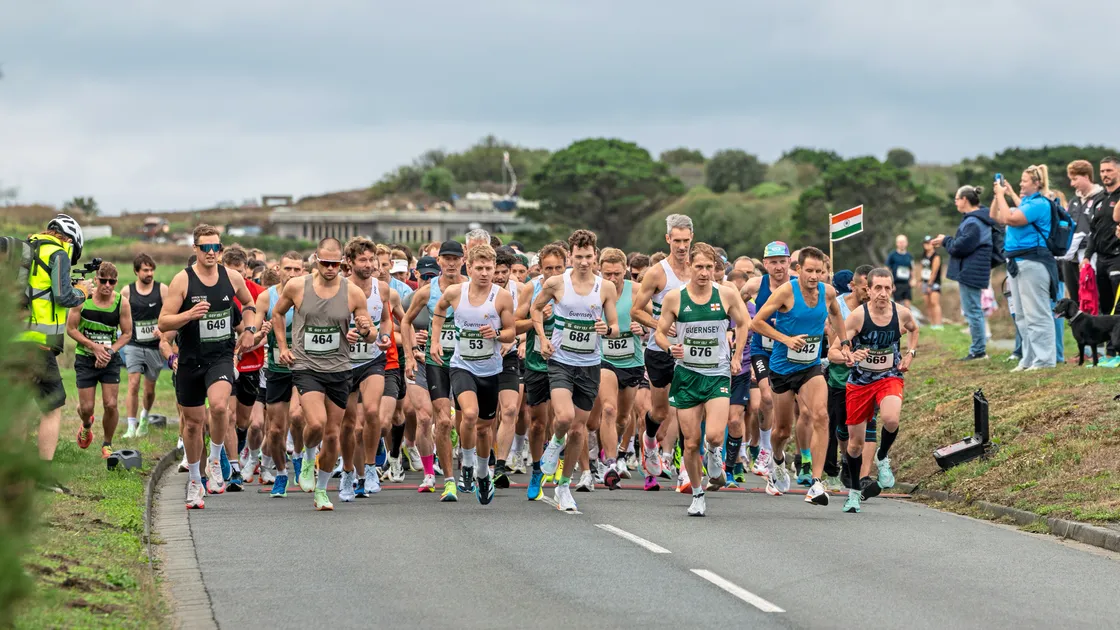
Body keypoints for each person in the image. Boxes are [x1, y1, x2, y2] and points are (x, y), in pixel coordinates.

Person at [271, 237, 385, 511]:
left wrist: (366, 329)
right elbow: (277, 315)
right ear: (316, 260)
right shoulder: (298, 286)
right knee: (317, 424)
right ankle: (308, 457)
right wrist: (284, 347)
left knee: (333, 435)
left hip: (339, 369)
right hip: (306, 367)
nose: (330, 268)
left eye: (335, 264)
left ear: (343, 263)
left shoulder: (353, 293)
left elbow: (371, 336)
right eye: (325, 263)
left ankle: (322, 490)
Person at [159, 224, 258, 509]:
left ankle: (215, 460)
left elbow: (249, 303)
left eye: (217, 247)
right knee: (192, 425)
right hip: (190, 359)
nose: (212, 253)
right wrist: (188, 315)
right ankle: (194, 480)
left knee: (218, 407)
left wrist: (249, 329)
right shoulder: (183, 280)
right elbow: (163, 323)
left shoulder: (232, 277)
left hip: (221, 357)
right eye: (206, 248)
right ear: (196, 249)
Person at [654, 243, 751, 516]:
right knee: (691, 441)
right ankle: (697, 494)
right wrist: (668, 347)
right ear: (690, 268)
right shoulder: (675, 298)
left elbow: (744, 323)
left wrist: (737, 354)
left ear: (716, 269)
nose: (704, 273)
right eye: (699, 267)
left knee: (715, 435)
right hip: (686, 375)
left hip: (717, 373)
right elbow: (661, 332)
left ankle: (715, 452)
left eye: (710, 267)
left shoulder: (727, 295)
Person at [751, 247, 851, 505]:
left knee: (821, 415)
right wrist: (786, 339)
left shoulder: (828, 292)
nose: (814, 276)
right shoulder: (786, 291)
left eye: (820, 271)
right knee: (783, 430)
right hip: (783, 368)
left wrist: (846, 341)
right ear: (798, 270)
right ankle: (777, 460)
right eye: (809, 271)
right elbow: (757, 323)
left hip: (810, 367)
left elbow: (836, 313)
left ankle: (817, 484)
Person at [532, 229, 620, 511]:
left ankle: (564, 486)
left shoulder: (605, 287)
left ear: (596, 256)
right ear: (571, 256)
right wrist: (543, 339)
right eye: (579, 256)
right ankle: (555, 440)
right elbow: (536, 309)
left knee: (580, 430)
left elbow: (615, 325)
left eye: (589, 256)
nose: (584, 262)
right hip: (560, 361)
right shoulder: (557, 283)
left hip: (590, 364)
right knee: (565, 417)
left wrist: (607, 329)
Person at [430, 244, 517, 504]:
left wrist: (498, 335)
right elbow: (439, 311)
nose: (484, 273)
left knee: (484, 429)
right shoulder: (456, 292)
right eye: (479, 268)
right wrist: (436, 341)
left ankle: (482, 472)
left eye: (489, 268)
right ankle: (466, 464)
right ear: (469, 267)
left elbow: (511, 332)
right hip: (462, 365)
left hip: (490, 369)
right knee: (468, 414)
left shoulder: (502, 297)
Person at [12, 214, 89, 478]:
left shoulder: (28, 249)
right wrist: (83, 292)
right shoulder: (57, 254)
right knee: (52, 407)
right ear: (70, 239)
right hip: (40, 345)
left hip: (16, 341)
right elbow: (64, 296)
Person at [842, 268, 920, 513]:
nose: (883, 293)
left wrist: (910, 354)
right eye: (878, 288)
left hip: (888, 376)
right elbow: (838, 347)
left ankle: (882, 456)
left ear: (893, 289)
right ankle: (854, 493)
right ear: (869, 289)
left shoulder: (901, 313)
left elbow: (914, 329)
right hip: (860, 383)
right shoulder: (857, 316)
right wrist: (850, 354)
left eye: (888, 288)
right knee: (854, 445)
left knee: (891, 419)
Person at [630, 214, 693, 491]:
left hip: (692, 352)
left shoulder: (698, 268)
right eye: (676, 240)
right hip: (659, 350)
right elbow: (635, 310)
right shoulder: (658, 272)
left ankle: (687, 469)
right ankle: (650, 441)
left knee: (688, 409)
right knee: (661, 411)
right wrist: (660, 325)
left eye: (686, 241)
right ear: (668, 239)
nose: (682, 246)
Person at [402, 241, 465, 502]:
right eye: (446, 258)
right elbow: (404, 321)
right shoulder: (426, 293)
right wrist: (409, 355)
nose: (451, 263)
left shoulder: (473, 289)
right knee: (431, 419)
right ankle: (432, 474)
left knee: (465, 421)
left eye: (455, 258)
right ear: (438, 261)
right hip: (430, 362)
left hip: (464, 364)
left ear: (463, 261)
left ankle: (469, 464)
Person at [992, 166, 1058, 371]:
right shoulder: (1026, 203)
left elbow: (1010, 219)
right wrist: (1000, 195)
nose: (1021, 184)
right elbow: (997, 216)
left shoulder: (1039, 203)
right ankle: (1028, 358)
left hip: (1034, 261)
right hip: (1016, 263)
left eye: (1025, 180)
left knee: (1037, 312)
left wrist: (1003, 195)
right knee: (1021, 314)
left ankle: (1045, 359)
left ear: (1037, 183)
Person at [514, 243, 567, 500]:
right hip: (537, 362)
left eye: (558, 267)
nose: (554, 272)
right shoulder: (531, 288)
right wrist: (538, 322)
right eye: (548, 268)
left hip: (567, 363)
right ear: (540, 269)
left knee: (562, 417)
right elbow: (514, 325)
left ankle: (556, 460)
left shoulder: (577, 288)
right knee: (537, 423)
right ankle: (536, 469)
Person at [67, 261, 133, 459]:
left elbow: (127, 333)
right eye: (103, 280)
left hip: (109, 359)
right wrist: (94, 347)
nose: (107, 285)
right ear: (96, 279)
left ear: (116, 282)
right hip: (85, 357)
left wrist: (110, 352)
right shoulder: (82, 299)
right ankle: (86, 425)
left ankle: (107, 444)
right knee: (86, 408)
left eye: (111, 282)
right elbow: (70, 329)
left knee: (111, 404)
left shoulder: (122, 302)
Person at [594, 247, 646, 490]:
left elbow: (656, 318)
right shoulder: (595, 290)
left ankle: (620, 452)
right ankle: (610, 462)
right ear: (600, 271)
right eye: (607, 274)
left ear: (625, 271)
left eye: (616, 274)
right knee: (608, 408)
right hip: (604, 358)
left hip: (632, 358)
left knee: (624, 417)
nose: (612, 279)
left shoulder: (636, 291)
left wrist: (643, 329)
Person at [739, 241, 792, 479]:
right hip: (762, 348)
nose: (778, 267)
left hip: (789, 350)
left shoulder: (797, 284)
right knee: (766, 399)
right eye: (773, 262)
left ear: (789, 262)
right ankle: (764, 448)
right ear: (766, 263)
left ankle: (777, 446)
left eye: (783, 261)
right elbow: (736, 303)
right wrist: (740, 325)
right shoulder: (755, 284)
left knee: (786, 408)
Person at [257, 251, 306, 496]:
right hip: (276, 368)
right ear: (278, 269)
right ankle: (281, 473)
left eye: (298, 270)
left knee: (297, 417)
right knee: (275, 430)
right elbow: (252, 337)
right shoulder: (266, 298)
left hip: (304, 367)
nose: (293, 274)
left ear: (304, 272)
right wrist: (259, 333)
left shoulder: (311, 295)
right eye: (288, 269)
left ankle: (298, 456)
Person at [932, 185, 997, 361]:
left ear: (965, 200)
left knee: (973, 311)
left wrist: (945, 240)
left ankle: (978, 351)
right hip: (973, 270)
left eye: (956, 199)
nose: (955, 202)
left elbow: (959, 247)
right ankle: (978, 348)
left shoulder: (974, 222)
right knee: (973, 310)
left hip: (971, 271)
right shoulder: (977, 218)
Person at [121, 253, 167, 439]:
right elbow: (121, 317)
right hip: (133, 344)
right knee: (133, 384)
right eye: (145, 270)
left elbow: (170, 313)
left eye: (151, 270)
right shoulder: (127, 291)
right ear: (136, 271)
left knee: (149, 390)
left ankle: (145, 418)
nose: (149, 273)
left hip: (154, 347)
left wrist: (162, 331)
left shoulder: (162, 290)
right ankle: (131, 426)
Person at [1063, 160, 1105, 305]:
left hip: (1090, 255)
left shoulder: (1101, 197)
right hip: (1071, 258)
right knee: (1075, 301)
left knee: (1093, 298)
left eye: (1075, 179)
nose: (1072, 184)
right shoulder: (1074, 201)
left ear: (1086, 176)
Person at [1084, 157, 1120, 320]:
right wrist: (1086, 257)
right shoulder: (1098, 198)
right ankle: (1110, 345)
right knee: (1105, 308)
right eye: (1102, 171)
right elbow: (1093, 231)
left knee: (1117, 307)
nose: (1105, 174)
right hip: (1101, 259)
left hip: (1117, 257)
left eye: (1109, 170)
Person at [919, 236, 943, 329]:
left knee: (934, 302)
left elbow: (934, 271)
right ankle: (932, 324)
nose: (927, 245)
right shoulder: (923, 255)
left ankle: (939, 324)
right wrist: (920, 280)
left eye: (929, 243)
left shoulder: (936, 256)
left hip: (934, 282)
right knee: (927, 303)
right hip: (925, 281)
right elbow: (922, 268)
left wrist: (929, 284)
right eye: (925, 243)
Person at [885, 235, 914, 309]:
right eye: (900, 242)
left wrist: (913, 279)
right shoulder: (892, 255)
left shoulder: (909, 256)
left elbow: (912, 269)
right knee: (897, 307)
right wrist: (890, 283)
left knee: (907, 306)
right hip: (896, 284)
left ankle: (907, 320)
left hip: (906, 284)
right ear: (897, 243)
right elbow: (886, 269)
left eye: (903, 242)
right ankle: (898, 320)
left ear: (906, 243)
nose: (901, 244)